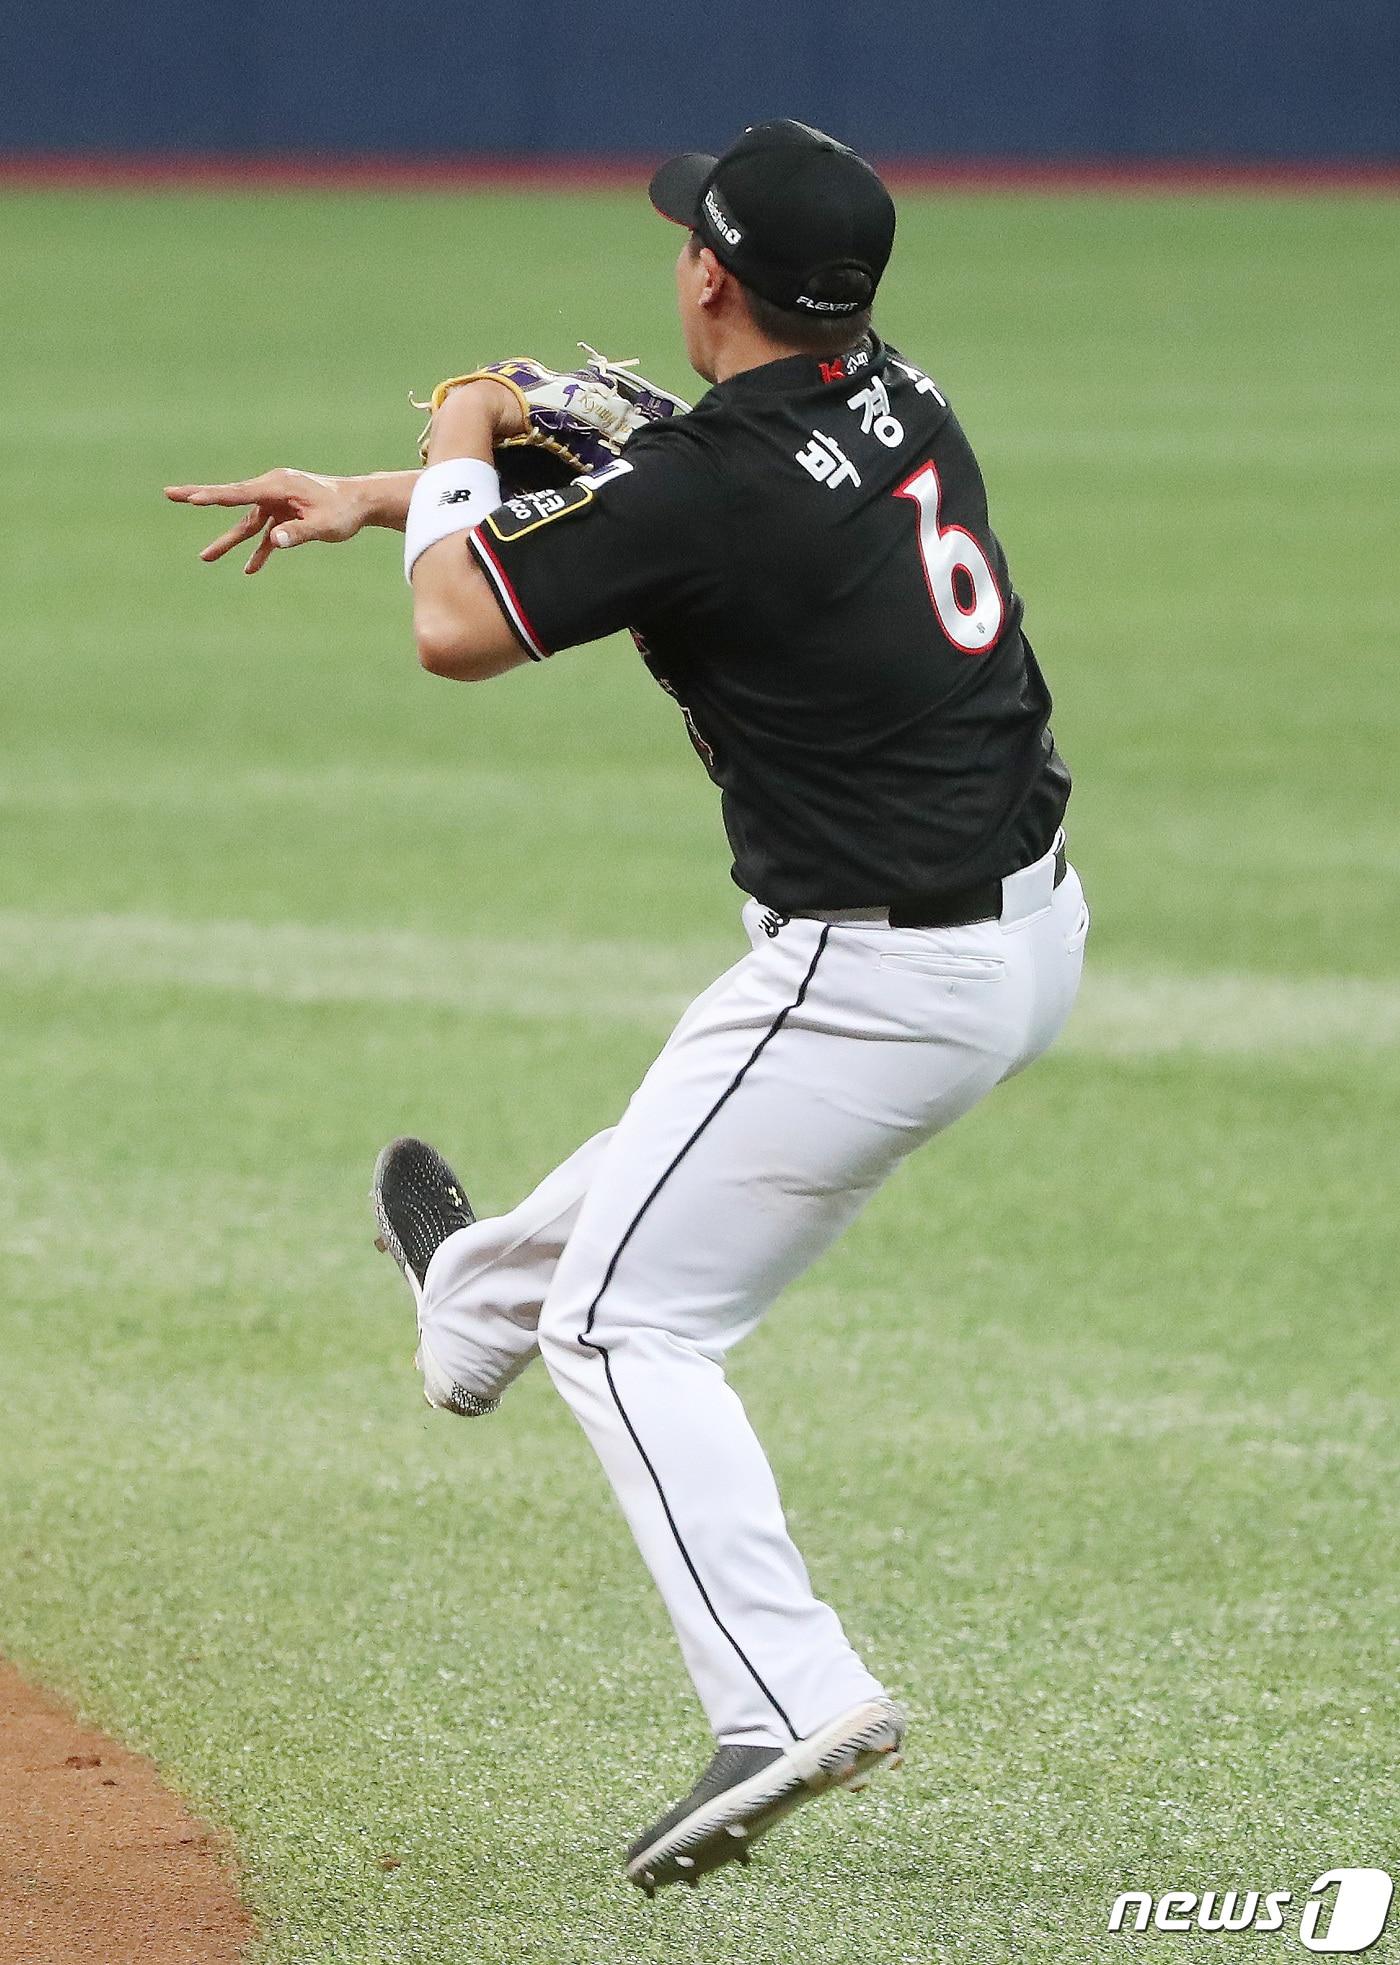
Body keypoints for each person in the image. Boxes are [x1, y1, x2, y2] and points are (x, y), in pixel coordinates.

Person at [166, 118, 1087, 1896]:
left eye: (686, 239)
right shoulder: (892, 393)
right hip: (1024, 927)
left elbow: (458, 627)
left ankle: (786, 1693)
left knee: (626, 1321)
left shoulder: (717, 489)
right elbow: (659, 495)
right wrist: (379, 493)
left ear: (711, 278)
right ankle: (467, 1302)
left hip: (875, 973)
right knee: (664, 1171)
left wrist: (459, 418)